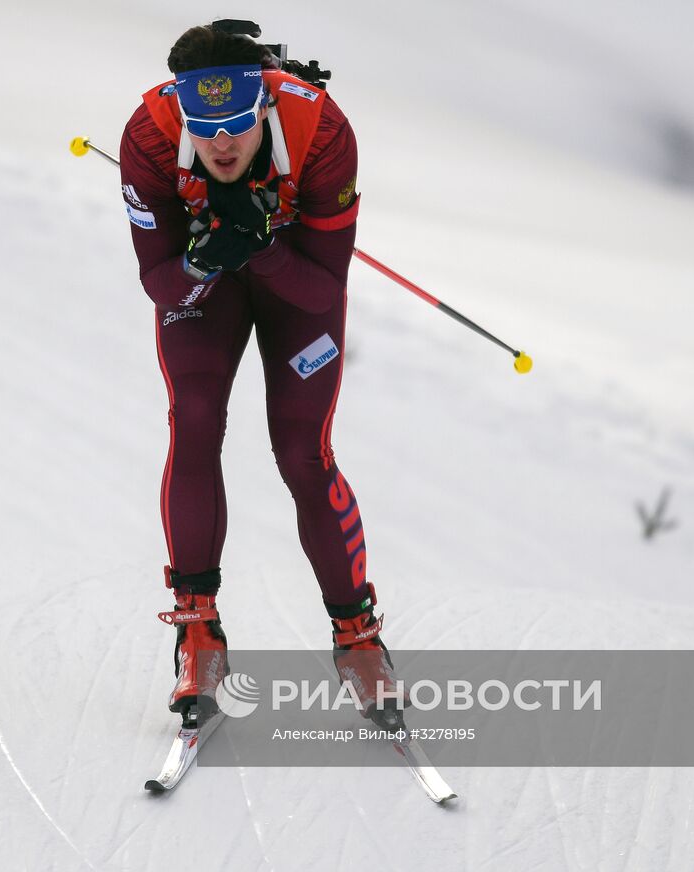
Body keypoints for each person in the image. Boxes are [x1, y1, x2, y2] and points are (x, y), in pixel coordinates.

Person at [120, 24, 401, 728]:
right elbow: (161, 284)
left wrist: (266, 248)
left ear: (266, 109)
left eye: (238, 125)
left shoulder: (320, 128)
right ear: (182, 112)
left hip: (295, 276)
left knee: (303, 455)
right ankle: (197, 633)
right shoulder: (150, 134)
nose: (221, 143)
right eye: (205, 126)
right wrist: (206, 257)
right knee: (195, 423)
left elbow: (321, 288)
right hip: (208, 286)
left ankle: (358, 640)